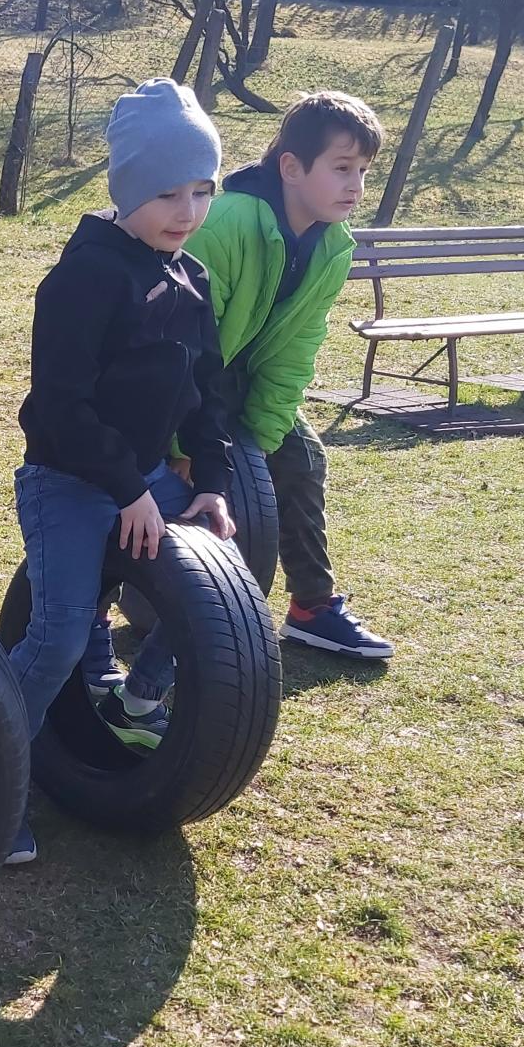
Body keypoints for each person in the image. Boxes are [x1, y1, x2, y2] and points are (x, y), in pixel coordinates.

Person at [6, 78, 239, 867]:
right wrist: (128, 489)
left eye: (202, 190)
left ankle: (139, 696)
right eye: (167, 192)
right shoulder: (83, 278)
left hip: (142, 478)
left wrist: (210, 482)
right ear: (127, 187)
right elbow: (60, 407)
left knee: (225, 575)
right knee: (59, 635)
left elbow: (207, 394)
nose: (187, 210)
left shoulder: (189, 276)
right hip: (69, 481)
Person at [185, 89, 392, 660]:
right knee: (152, 474)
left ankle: (311, 609)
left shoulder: (333, 246)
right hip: (176, 380)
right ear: (292, 168)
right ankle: (99, 613)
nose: (356, 186)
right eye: (342, 168)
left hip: (243, 379)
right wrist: (183, 443)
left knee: (302, 456)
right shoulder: (225, 225)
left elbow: (298, 347)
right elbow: (183, 344)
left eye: (364, 171)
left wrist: (262, 433)